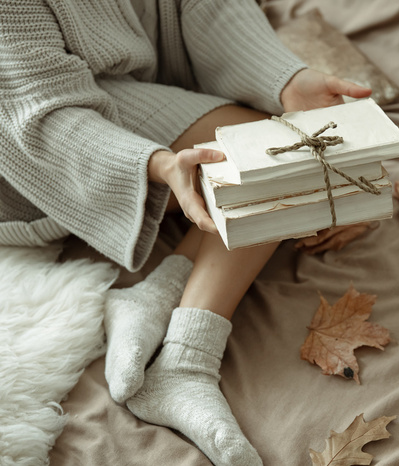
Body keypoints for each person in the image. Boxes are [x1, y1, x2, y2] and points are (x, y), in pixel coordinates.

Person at [0, 1, 371, 465]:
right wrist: (154, 165)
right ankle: (187, 362)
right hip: (32, 147)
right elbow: (38, 114)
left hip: (131, 87)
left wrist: (285, 80)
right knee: (272, 157)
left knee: (286, 154)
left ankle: (164, 319)